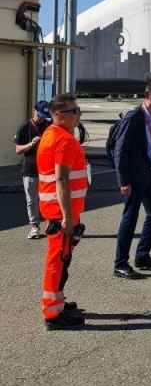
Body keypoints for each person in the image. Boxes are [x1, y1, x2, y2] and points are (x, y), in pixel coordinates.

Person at [36, 93, 89, 330]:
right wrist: (67, 216)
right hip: (61, 212)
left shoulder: (50, 134)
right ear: (59, 115)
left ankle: (57, 301)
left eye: (78, 110)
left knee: (61, 260)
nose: (78, 115)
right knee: (58, 261)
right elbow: (62, 180)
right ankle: (53, 315)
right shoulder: (64, 140)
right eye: (74, 111)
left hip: (55, 209)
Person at [112, 81, 151, 279]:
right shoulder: (134, 117)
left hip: (150, 171)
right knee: (130, 217)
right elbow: (121, 150)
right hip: (134, 177)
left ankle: (142, 256)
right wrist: (123, 180)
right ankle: (120, 263)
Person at [13, 100, 52, 239]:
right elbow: (17, 150)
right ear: (34, 111)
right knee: (32, 200)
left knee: (48, 199)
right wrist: (31, 144)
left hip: (48, 168)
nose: (41, 118)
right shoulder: (24, 127)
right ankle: (34, 225)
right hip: (30, 168)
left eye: (44, 116)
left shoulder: (50, 125)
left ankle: (50, 223)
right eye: (39, 114)